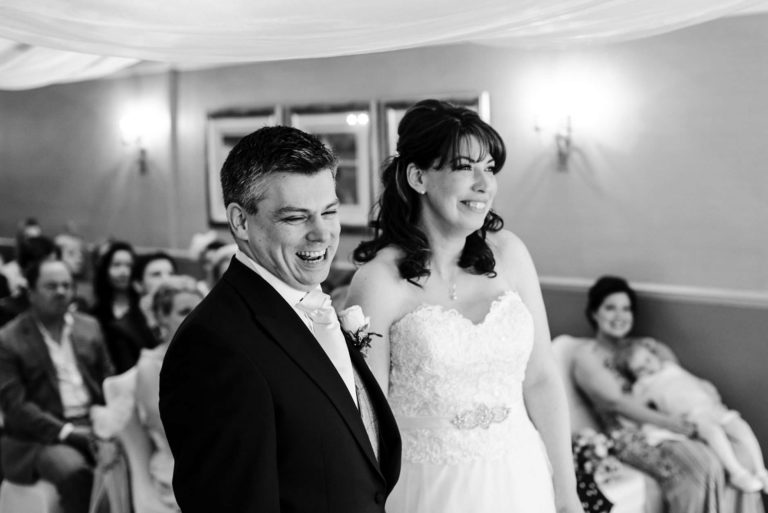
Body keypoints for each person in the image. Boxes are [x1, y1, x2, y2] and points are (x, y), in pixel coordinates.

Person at [345, 99, 581, 512]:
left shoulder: (510, 254)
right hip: (429, 488)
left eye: (489, 168)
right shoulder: (379, 283)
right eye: (463, 167)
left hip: (520, 474)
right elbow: (367, 418)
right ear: (418, 176)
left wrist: (566, 492)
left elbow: (542, 377)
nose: (483, 183)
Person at [159, 125, 401, 513]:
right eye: (295, 218)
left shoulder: (311, 301)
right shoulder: (213, 347)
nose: (322, 234)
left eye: (330, 212)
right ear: (240, 222)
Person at [570, 275, 765, 513]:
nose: (620, 316)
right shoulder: (587, 356)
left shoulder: (648, 347)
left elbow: (676, 381)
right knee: (701, 466)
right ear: (594, 313)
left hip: (677, 422)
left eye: (626, 308)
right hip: (630, 434)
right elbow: (616, 403)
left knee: (741, 452)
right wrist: (670, 423)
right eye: (610, 308)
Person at [0, 259, 114, 513]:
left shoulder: (89, 326)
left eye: (66, 285)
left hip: (92, 421)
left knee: (135, 461)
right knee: (73, 471)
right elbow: (16, 408)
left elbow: (109, 380)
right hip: (38, 437)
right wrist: (67, 432)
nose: (61, 291)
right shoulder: (9, 339)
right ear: (31, 293)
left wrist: (110, 421)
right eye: (51, 286)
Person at [617, 342, 768, 492]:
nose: (648, 368)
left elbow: (693, 380)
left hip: (710, 407)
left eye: (648, 360)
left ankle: (761, 471)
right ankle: (737, 472)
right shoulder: (643, 385)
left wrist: (707, 388)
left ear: (654, 356)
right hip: (692, 416)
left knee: (741, 428)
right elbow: (634, 408)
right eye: (640, 369)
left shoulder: (671, 368)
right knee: (713, 432)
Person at [135, 275, 203, 511]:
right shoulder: (151, 368)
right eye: (184, 311)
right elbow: (169, 433)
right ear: (162, 317)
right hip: (180, 472)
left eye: (200, 309)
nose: (195, 318)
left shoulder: (218, 358)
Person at [108, 251, 176, 373]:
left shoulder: (180, 316)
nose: (167, 280)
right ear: (138, 285)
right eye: (156, 275)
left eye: (171, 273)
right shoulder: (122, 329)